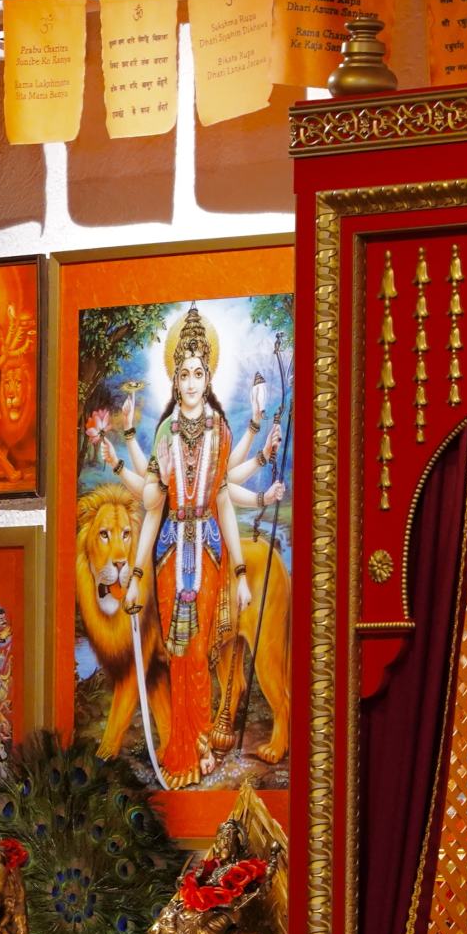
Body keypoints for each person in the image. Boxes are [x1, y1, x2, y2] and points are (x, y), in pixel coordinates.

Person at [129, 309, 283, 787]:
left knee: (198, 650)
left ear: (208, 377)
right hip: (170, 555)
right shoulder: (164, 434)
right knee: (178, 653)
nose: (192, 382)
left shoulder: (219, 430)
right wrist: (136, 575)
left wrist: (240, 574)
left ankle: (197, 747)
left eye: (199, 373)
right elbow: (154, 508)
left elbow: (222, 501)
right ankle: (183, 746)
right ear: (175, 380)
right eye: (185, 374)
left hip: (210, 554)